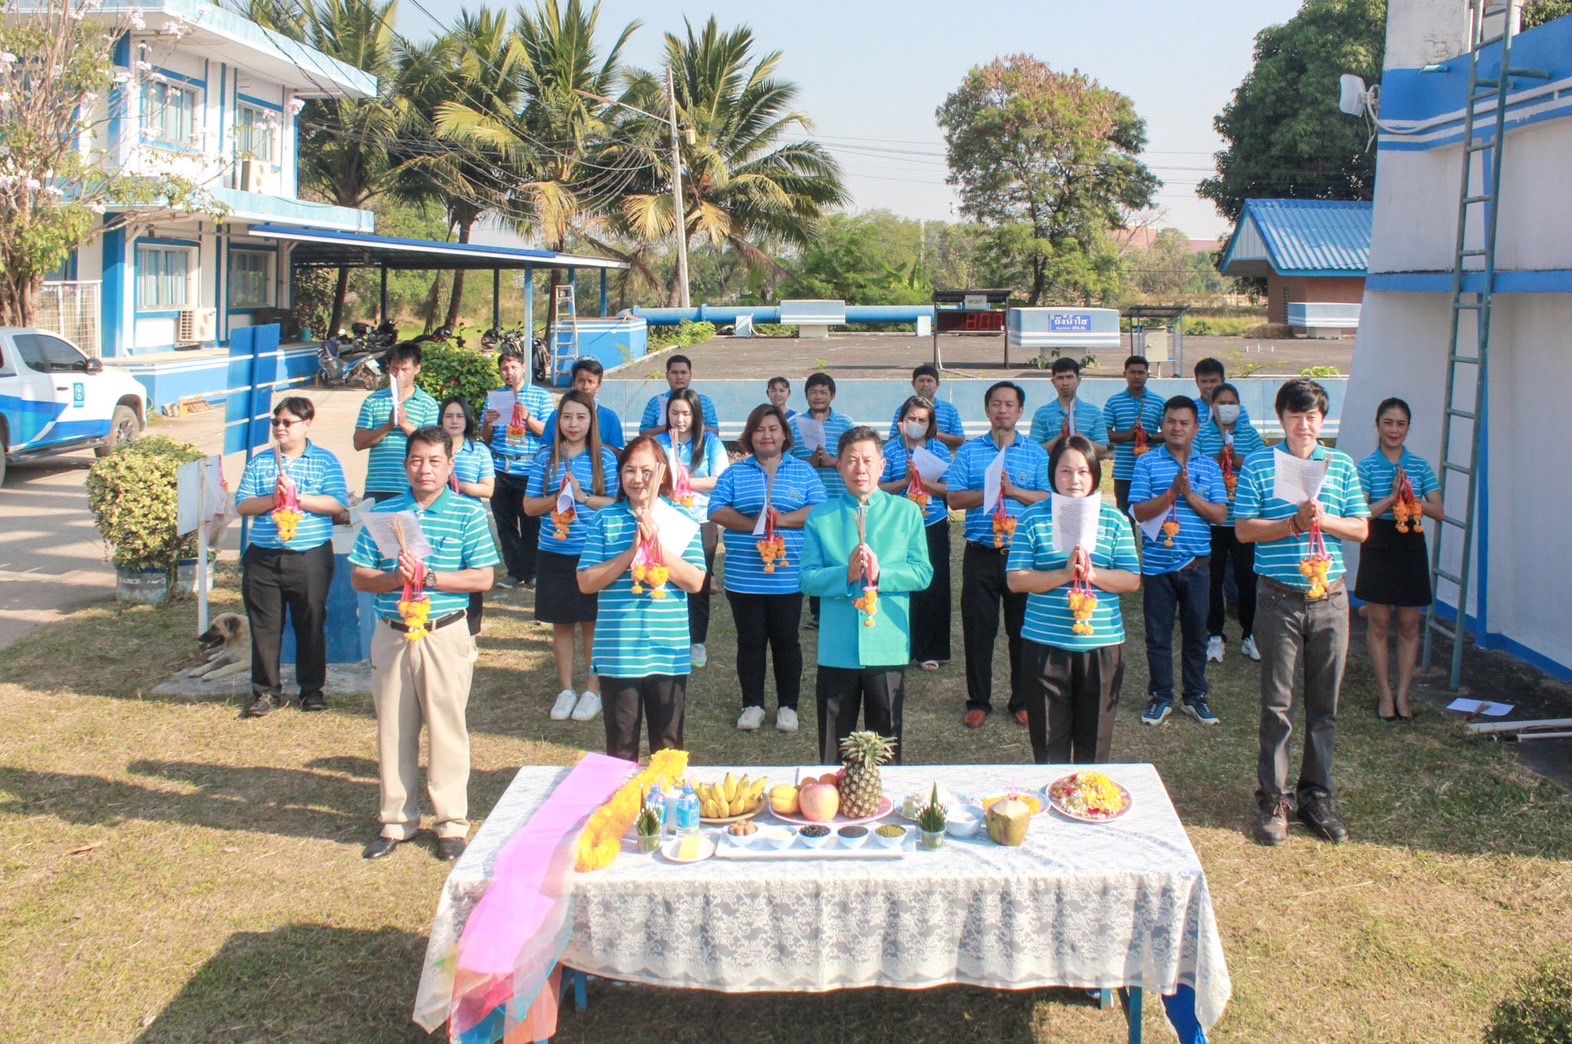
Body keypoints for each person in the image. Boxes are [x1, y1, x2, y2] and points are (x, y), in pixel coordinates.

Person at [350, 426, 499, 862]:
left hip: (444, 631)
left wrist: (430, 578)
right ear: (406, 465)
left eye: (435, 461)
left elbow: (483, 578)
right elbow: (360, 575)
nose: (424, 469)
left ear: (450, 465)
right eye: (417, 461)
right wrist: (395, 578)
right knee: (395, 728)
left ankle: (450, 823)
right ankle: (397, 821)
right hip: (393, 633)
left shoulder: (467, 513)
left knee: (447, 729)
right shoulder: (386, 515)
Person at [1235, 378, 1369, 847]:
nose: (1304, 425)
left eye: (1312, 416)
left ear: (1322, 420)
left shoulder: (1341, 464)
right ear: (1282, 418)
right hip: (1278, 597)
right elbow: (1244, 530)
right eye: (1295, 416)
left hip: (1329, 598)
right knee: (1277, 704)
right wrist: (1292, 523)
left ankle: (1316, 795)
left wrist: (1322, 520)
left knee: (1325, 705)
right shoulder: (1259, 463)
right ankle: (1274, 797)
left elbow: (1360, 528)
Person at [801, 426, 933, 764]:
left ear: (882, 465)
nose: (860, 469)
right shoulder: (821, 517)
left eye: (867, 461)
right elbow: (807, 580)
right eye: (851, 461)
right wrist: (845, 574)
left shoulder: (906, 513)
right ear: (840, 466)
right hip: (838, 647)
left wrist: (881, 574)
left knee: (887, 741)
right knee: (834, 744)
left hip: (887, 641)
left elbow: (922, 572)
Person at [1007, 435, 1141, 763]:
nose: (1074, 480)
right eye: (1065, 471)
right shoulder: (1033, 518)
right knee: (1049, 746)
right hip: (1045, 645)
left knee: (1093, 748)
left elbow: (1132, 579)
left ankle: (1086, 807)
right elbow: (1016, 579)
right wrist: (1065, 574)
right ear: (1053, 474)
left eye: (1082, 471)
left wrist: (1093, 575)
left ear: (1095, 474)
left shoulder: (1114, 520)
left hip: (1101, 646)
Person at [577, 437, 708, 761]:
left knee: (669, 747)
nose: (638, 479)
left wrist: (657, 548)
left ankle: (668, 809)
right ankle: (626, 811)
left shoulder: (680, 518)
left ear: (662, 474)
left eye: (647, 471)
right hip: (618, 652)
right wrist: (633, 551)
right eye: (630, 470)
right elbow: (585, 581)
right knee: (620, 750)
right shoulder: (606, 519)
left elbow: (695, 581)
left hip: (667, 650)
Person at [708, 404, 827, 732]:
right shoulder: (736, 473)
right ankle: (753, 704)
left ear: (784, 435)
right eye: (759, 429)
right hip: (743, 577)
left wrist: (783, 521)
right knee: (750, 641)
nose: (766, 435)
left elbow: (818, 507)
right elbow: (716, 509)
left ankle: (788, 706)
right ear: (750, 435)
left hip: (787, 577)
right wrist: (756, 525)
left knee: (787, 641)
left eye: (773, 429)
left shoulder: (802, 471)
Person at [234, 397, 350, 717]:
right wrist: (273, 499)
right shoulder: (261, 462)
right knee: (265, 626)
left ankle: (311, 690)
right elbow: (243, 505)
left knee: (310, 623)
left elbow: (338, 505)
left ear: (307, 424)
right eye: (276, 423)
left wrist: (298, 497)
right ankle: (266, 691)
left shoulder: (324, 460)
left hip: (309, 555)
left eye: (287, 422)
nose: (280, 428)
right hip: (265, 556)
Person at [946, 381, 1051, 729]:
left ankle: (1022, 700)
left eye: (1009, 404)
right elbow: (954, 499)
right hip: (981, 553)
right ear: (987, 409)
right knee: (979, 631)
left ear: (1020, 412)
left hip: (1023, 555)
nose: (1002, 409)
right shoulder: (970, 452)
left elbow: (1049, 499)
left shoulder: (1036, 453)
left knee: (1023, 631)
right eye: (996, 403)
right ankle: (978, 701)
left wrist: (1013, 490)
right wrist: (990, 491)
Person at [1130, 397, 1229, 727]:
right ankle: (1161, 695)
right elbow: (1139, 512)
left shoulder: (1209, 467)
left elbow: (1220, 514)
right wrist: (1171, 493)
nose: (1176, 428)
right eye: (1171, 421)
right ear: (1163, 425)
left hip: (1198, 566)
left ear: (1196, 428)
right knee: (1158, 635)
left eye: (1184, 423)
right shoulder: (1146, 463)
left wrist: (1189, 495)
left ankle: (1196, 695)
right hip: (1159, 566)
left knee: (1196, 633)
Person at [523, 390, 621, 723]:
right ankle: (567, 689)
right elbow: (528, 505)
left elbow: (617, 504)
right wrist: (558, 498)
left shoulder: (605, 459)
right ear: (558, 421)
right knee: (562, 624)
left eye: (581, 417)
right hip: (553, 551)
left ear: (592, 420)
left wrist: (582, 496)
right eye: (567, 417)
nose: (573, 424)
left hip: (591, 554)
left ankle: (593, 690)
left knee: (592, 623)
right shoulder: (545, 458)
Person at [1355, 397, 1444, 722]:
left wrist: (1412, 498)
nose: (1394, 430)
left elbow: (1440, 511)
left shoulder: (1419, 466)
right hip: (1379, 541)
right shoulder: (1365, 466)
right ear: (1378, 425)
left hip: (1410, 544)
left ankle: (1404, 695)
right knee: (1378, 624)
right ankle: (1384, 695)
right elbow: (1360, 512)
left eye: (1401, 424)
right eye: (1388, 423)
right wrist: (1392, 498)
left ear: (1408, 427)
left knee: (1409, 624)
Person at [878, 395, 952, 671]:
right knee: (899, 584)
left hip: (932, 523)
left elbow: (950, 489)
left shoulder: (940, 450)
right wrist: (905, 481)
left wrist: (926, 482)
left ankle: (930, 650)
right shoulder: (888, 450)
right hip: (897, 525)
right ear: (901, 421)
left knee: (934, 585)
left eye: (923, 420)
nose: (917, 424)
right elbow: (878, 488)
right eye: (912, 419)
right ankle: (899, 644)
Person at [656, 389, 729, 668]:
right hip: (666, 519)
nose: (680, 419)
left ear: (696, 415)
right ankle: (669, 635)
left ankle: (697, 640)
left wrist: (683, 483)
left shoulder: (709, 442)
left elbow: (719, 479)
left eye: (686, 413)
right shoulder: (659, 442)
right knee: (665, 576)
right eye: (674, 412)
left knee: (699, 580)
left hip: (700, 520)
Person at [1195, 382, 1266, 663]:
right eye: (1220, 402)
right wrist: (1217, 460)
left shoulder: (1249, 434)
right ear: (1212, 406)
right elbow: (1195, 465)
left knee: (1247, 577)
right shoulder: (1202, 434)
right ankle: (1215, 635)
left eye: (1231, 402)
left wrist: (1236, 459)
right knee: (1212, 578)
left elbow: (1262, 463)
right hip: (1213, 520)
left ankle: (1250, 633)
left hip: (1243, 519)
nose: (1226, 407)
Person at [482, 347, 553, 589]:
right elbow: (487, 438)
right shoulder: (496, 398)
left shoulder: (541, 396)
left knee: (531, 522)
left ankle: (532, 571)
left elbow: (548, 432)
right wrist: (488, 423)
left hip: (530, 468)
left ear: (523, 368)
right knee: (505, 523)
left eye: (513, 367)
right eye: (504, 368)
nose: (509, 372)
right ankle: (514, 570)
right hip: (501, 467)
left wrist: (528, 417)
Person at [791, 372, 856, 629]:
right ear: (806, 395)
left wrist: (832, 462)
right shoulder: (794, 424)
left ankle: (841, 602)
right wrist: (811, 462)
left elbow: (855, 456)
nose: (818, 396)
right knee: (814, 555)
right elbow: (787, 460)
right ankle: (817, 613)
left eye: (823, 392)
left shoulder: (846, 423)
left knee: (840, 552)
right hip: (807, 502)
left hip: (839, 497)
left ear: (833, 395)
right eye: (813, 392)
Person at [440, 396, 495, 652]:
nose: (454, 421)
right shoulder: (434, 448)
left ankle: (471, 635)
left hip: (470, 523)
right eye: (449, 416)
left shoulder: (479, 450)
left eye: (459, 416)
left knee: (472, 579)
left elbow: (488, 489)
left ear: (467, 420)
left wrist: (457, 484)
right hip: (440, 521)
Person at [354, 343, 440, 502]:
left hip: (412, 486)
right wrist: (388, 426)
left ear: (417, 369)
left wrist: (405, 424)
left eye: (405, 369)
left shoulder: (428, 404)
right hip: (377, 486)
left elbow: (432, 445)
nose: (398, 374)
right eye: (394, 369)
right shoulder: (373, 401)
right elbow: (358, 442)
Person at [1103, 354, 1166, 513]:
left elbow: (1168, 433)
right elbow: (1104, 433)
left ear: (1147, 375)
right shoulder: (1113, 401)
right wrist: (1127, 436)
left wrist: (1149, 437)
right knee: (1125, 515)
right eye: (1132, 372)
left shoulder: (1158, 402)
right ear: (1125, 374)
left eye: (1141, 372)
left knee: (1152, 517)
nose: (1137, 376)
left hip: (1152, 471)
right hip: (1123, 471)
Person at [1028, 356, 1110, 458]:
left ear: (1078, 380)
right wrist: (1061, 436)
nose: (1065, 383)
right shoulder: (1042, 414)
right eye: (1060, 378)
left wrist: (1077, 435)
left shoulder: (1094, 413)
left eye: (1069, 377)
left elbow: (1103, 451)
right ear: (1053, 382)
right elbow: (1033, 451)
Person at [542, 357, 626, 450]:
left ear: (598, 386)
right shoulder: (556, 416)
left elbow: (620, 454)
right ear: (573, 383)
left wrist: (591, 444)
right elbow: (543, 450)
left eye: (591, 382)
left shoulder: (610, 417)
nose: (585, 387)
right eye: (581, 381)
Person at [886, 364, 966, 451]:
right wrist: (911, 434)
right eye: (921, 380)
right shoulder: (903, 409)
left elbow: (960, 440)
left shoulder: (950, 410)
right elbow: (892, 439)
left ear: (937, 384)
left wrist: (931, 433)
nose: (925, 384)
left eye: (929, 380)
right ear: (913, 384)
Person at [639, 354, 719, 436]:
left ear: (690, 375)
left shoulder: (704, 401)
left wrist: (694, 426)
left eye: (683, 372)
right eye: (674, 372)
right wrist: (668, 427)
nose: (679, 377)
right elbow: (643, 434)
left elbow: (715, 433)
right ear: (667, 375)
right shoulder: (655, 402)